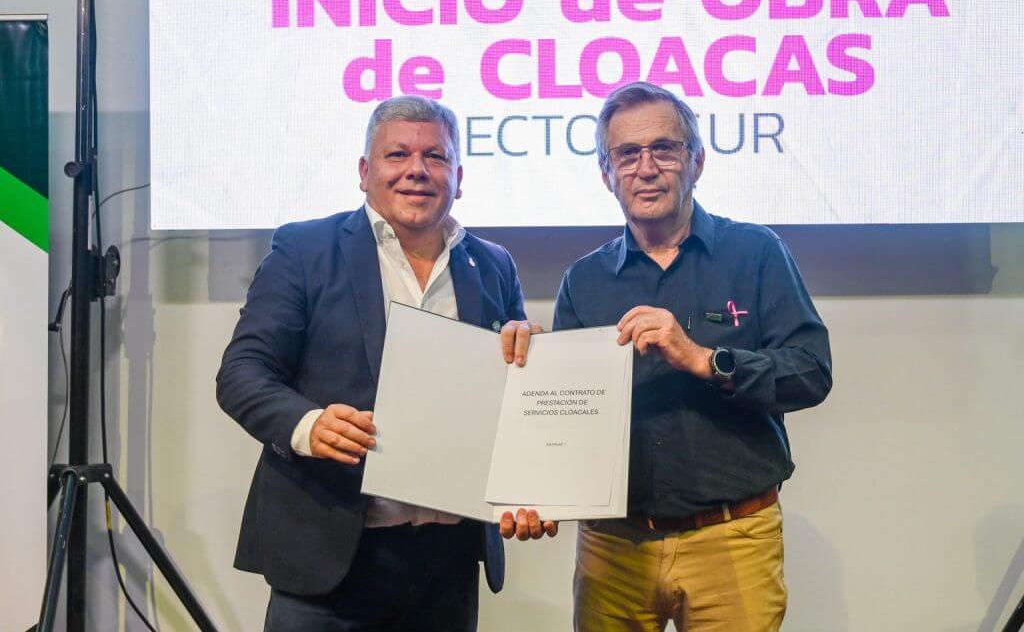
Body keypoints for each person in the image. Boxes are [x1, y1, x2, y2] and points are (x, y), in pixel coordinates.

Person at [216, 95, 555, 632]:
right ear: (364, 171)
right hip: (328, 556)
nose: (416, 170)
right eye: (397, 154)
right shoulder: (305, 249)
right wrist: (308, 425)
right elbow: (242, 373)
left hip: (447, 564)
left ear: (458, 178)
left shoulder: (493, 264)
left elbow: (511, 403)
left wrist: (531, 475)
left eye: (435, 157)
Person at [553, 81, 832, 631]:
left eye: (664, 148)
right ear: (606, 173)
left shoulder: (756, 252)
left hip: (731, 537)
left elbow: (811, 370)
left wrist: (707, 359)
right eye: (626, 154)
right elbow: (563, 416)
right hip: (614, 546)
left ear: (697, 161)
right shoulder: (583, 281)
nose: (646, 168)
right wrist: (534, 493)